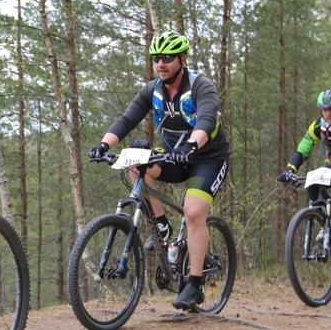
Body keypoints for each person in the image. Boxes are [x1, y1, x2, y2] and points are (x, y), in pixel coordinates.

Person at [88, 30, 231, 311]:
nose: (161, 64)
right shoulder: (151, 90)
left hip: (208, 157)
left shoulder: (200, 85)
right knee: (136, 167)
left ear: (182, 58)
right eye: (156, 58)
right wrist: (104, 144)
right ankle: (161, 227)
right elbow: (127, 119)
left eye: (167, 58)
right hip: (175, 155)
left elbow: (205, 118)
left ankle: (194, 284)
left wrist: (192, 143)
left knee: (193, 212)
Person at [277, 89, 331, 229]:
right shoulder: (319, 126)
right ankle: (326, 223)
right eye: (324, 110)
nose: (328, 114)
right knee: (312, 180)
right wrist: (290, 170)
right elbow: (303, 149)